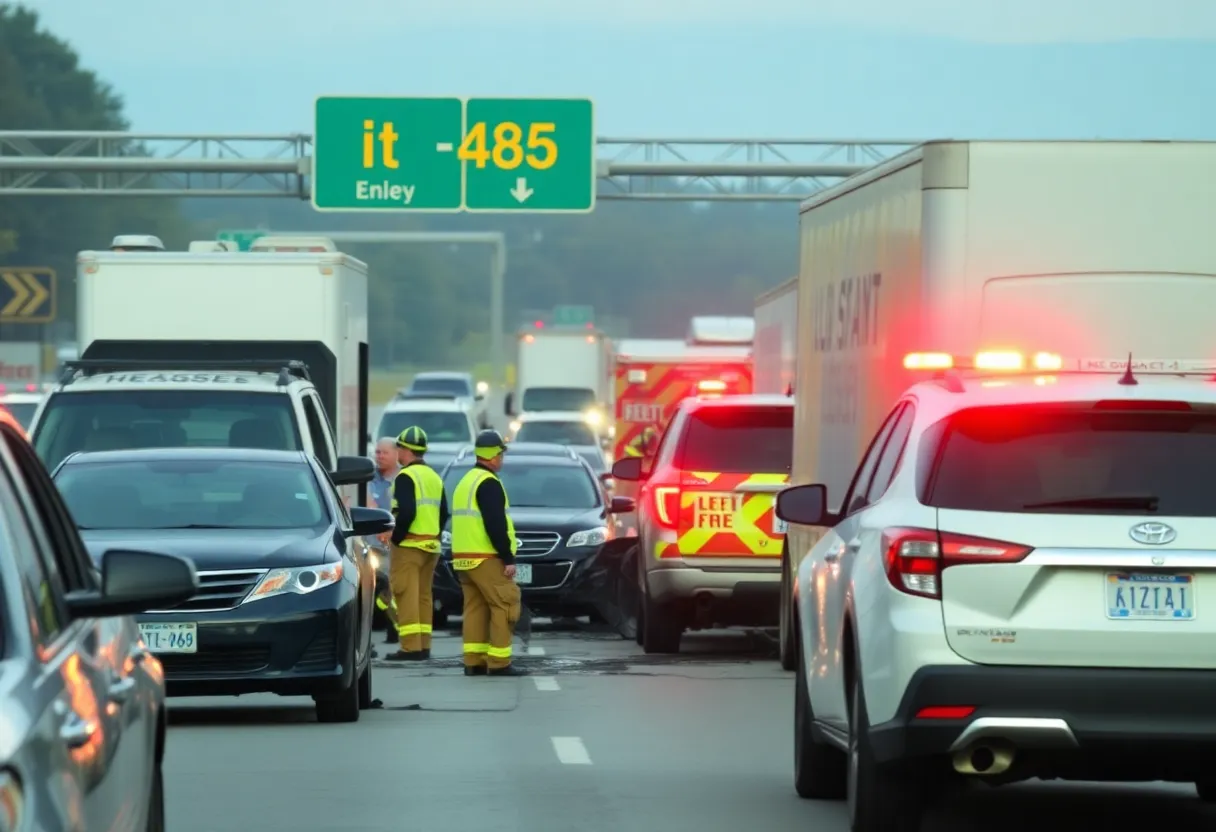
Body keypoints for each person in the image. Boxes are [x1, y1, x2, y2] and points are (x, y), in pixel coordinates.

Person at [450, 429, 528, 677]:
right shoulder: (489, 483)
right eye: (501, 454)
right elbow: (495, 524)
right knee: (505, 604)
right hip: (486, 557)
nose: (502, 459)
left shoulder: (466, 481)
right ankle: (499, 662)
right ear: (494, 455)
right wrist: (507, 557)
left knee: (476, 608)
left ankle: (474, 661)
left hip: (464, 558)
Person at [384, 426, 449, 661]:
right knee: (423, 596)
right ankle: (423, 645)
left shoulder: (406, 476)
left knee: (406, 595)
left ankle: (410, 648)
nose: (397, 452)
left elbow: (407, 512)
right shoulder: (434, 476)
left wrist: (396, 538)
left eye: (399, 448)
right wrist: (433, 534)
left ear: (407, 450)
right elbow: (444, 513)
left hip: (409, 546)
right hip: (431, 546)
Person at [368, 437, 400, 644]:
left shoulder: (402, 479)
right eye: (377, 452)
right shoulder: (369, 479)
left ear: (396, 454)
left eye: (384, 452)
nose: (379, 456)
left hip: (391, 546)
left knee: (392, 590)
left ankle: (394, 630)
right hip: (368, 545)